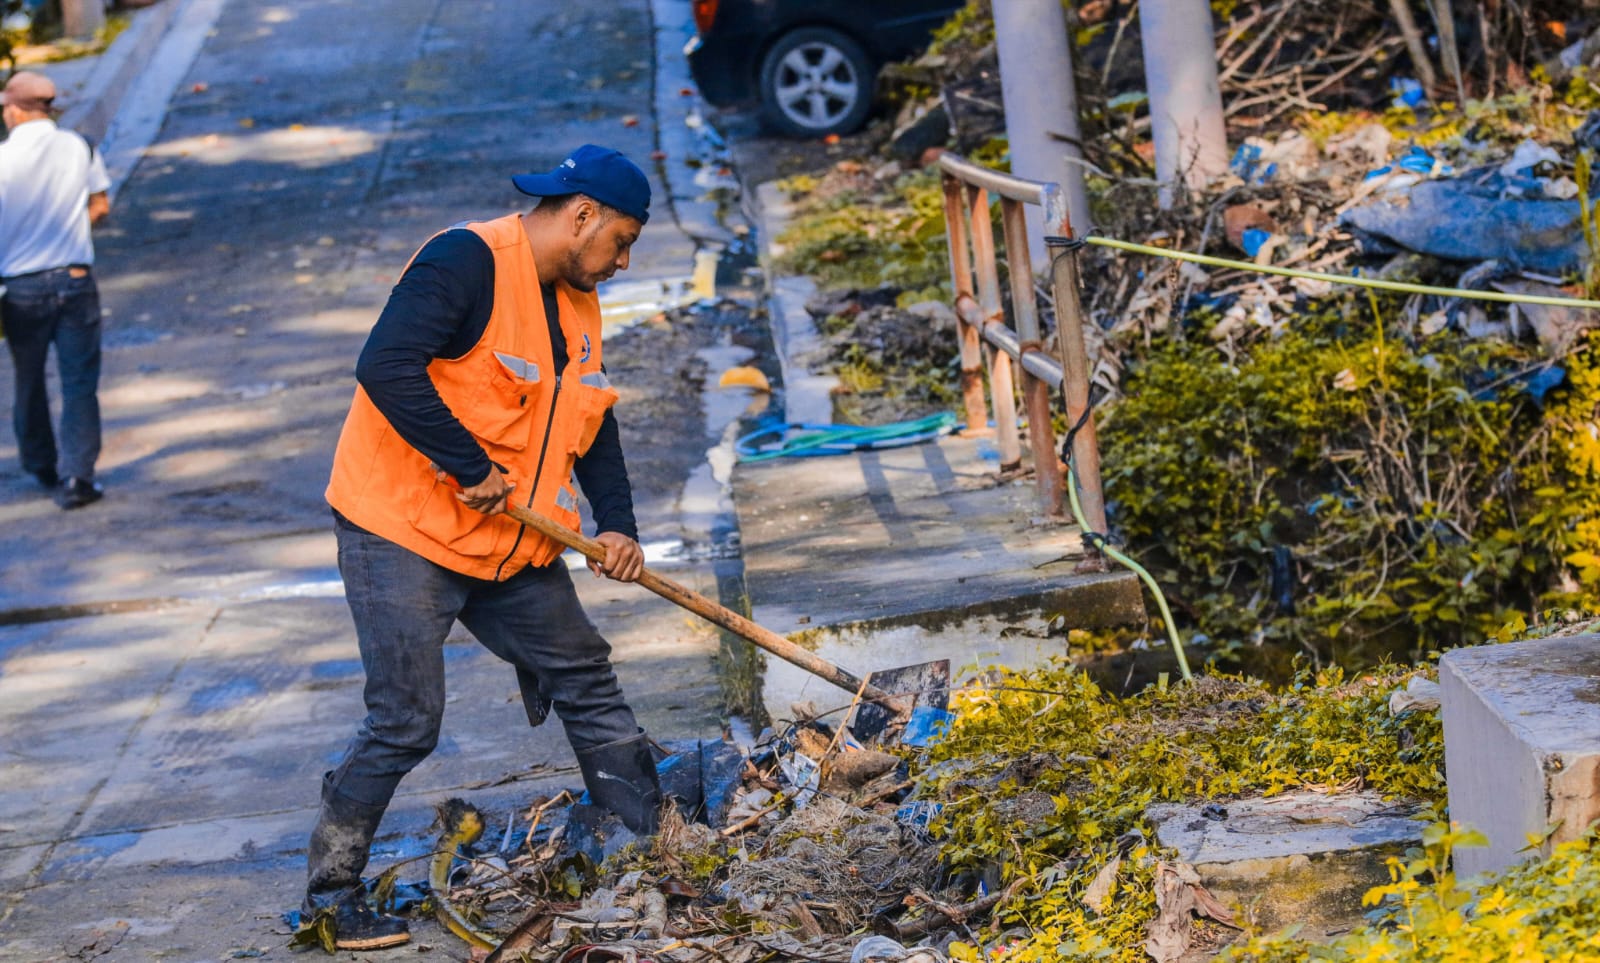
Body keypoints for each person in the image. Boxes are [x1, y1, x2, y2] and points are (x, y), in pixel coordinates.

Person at [305, 145, 663, 951]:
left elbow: (591, 417)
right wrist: (468, 464)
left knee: (583, 669)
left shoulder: (576, 299)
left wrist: (618, 526)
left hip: (510, 543)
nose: (624, 260)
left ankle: (647, 840)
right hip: (402, 530)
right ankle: (330, 891)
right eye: (623, 240)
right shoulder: (464, 260)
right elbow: (385, 365)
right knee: (406, 718)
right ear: (582, 216)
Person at [0, 70, 111, 509]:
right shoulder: (79, 146)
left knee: (28, 379)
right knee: (79, 381)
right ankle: (78, 478)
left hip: (20, 288)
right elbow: (100, 204)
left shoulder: (2, 159)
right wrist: (69, 230)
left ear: (13, 110)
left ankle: (41, 465)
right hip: (76, 279)